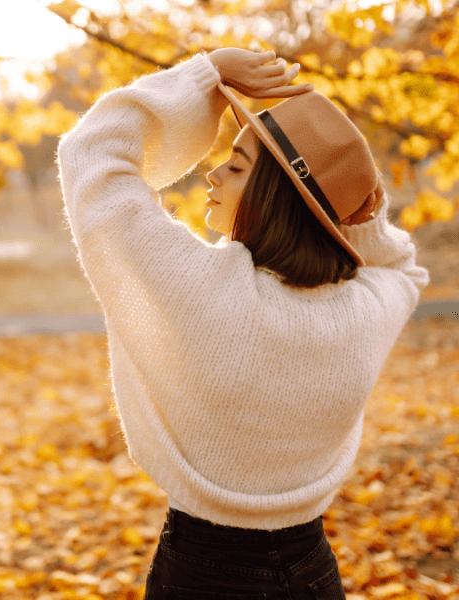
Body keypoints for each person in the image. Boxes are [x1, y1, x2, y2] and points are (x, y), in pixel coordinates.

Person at [57, 47, 429, 599]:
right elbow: (401, 264)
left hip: (204, 575)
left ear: (276, 198)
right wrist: (355, 213)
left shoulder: (200, 289)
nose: (212, 171)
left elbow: (91, 152)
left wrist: (205, 74)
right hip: (312, 574)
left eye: (235, 166)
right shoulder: (364, 312)